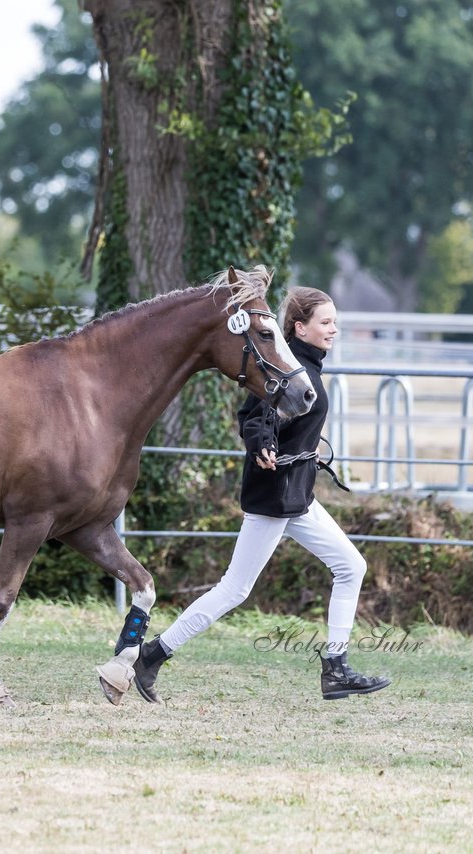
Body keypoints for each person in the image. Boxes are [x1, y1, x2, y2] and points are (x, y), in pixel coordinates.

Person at [132, 286, 391, 702]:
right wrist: (263, 445)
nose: (334, 329)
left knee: (350, 567)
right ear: (299, 327)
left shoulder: (304, 364)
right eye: (326, 322)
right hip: (275, 497)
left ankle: (336, 668)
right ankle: (151, 655)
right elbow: (254, 417)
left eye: (334, 322)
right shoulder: (283, 368)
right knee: (234, 589)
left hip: (298, 496)